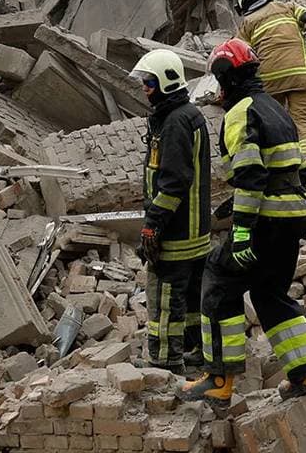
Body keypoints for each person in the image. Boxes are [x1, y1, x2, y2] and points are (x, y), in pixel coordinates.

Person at [181, 39, 306, 405]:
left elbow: (251, 175)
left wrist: (243, 229)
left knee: (216, 281)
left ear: (224, 78)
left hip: (266, 221)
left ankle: (218, 380)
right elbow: (295, 169)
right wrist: (238, 204)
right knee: (270, 294)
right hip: (293, 218)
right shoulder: (277, 110)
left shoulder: (240, 113)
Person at [132, 48, 211, 374]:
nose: (144, 89)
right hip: (195, 235)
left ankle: (164, 362)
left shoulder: (177, 122)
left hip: (177, 234)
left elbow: (174, 183)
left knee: (164, 301)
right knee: (192, 301)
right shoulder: (185, 115)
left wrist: (152, 226)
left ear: (165, 82)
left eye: (149, 83)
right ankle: (195, 351)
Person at [233, 0, 306, 198]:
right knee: (305, 123)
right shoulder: (288, 7)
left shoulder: (246, 24)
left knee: (273, 126)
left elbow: (238, 56)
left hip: (268, 82)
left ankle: (280, 174)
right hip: (301, 75)